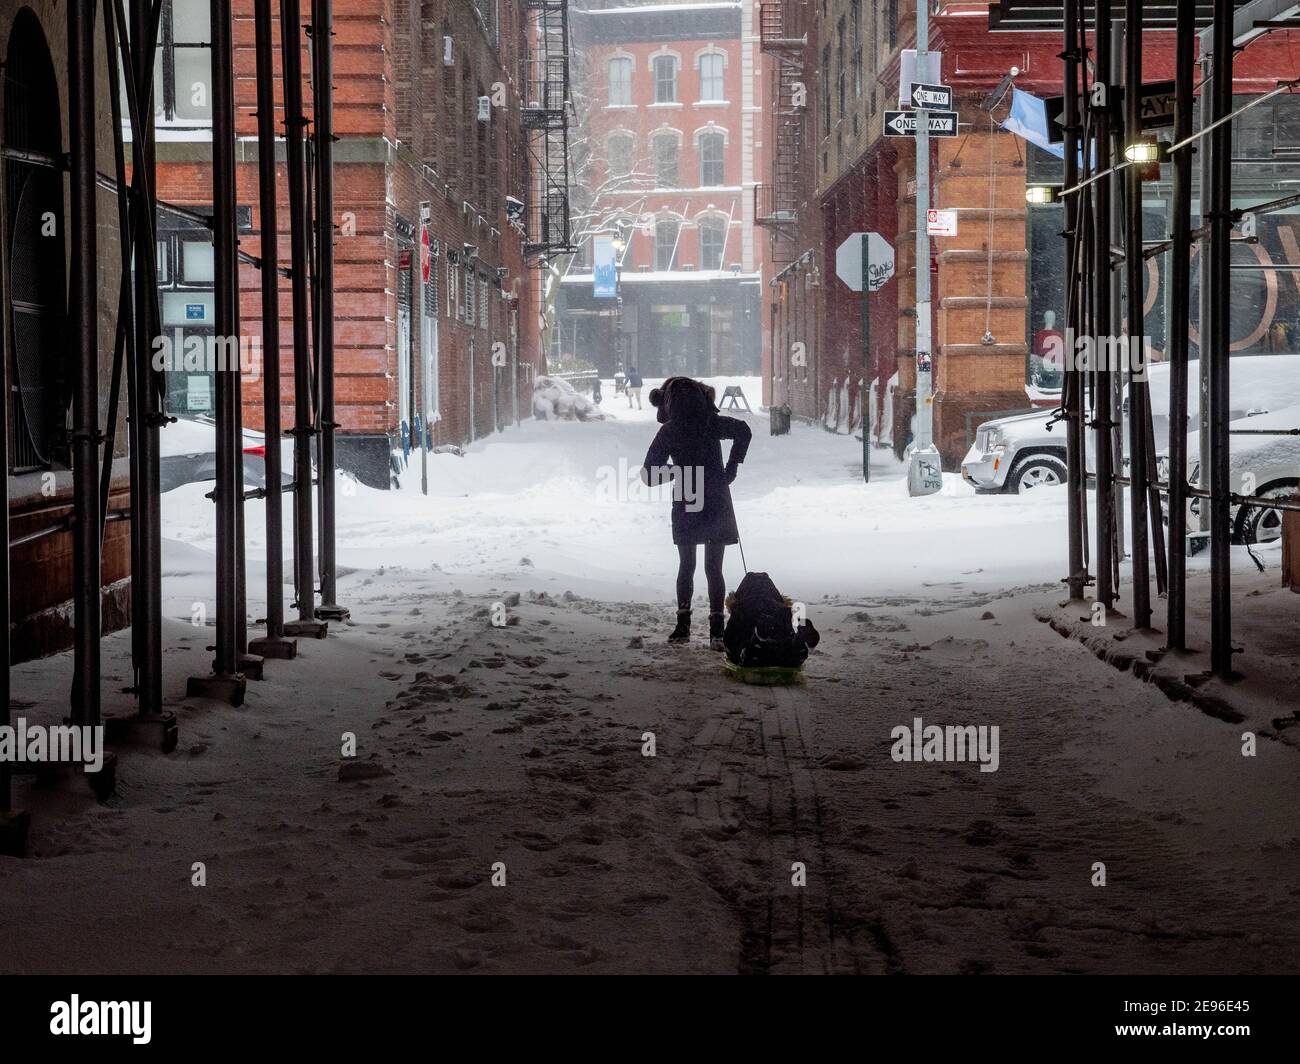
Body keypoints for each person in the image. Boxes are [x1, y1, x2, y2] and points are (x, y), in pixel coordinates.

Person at [640, 377, 751, 649]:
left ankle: (683, 627)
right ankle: (717, 632)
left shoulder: (670, 431)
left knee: (686, 566)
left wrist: (679, 472)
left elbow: (648, 474)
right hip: (716, 495)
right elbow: (744, 431)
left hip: (688, 498)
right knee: (714, 568)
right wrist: (732, 467)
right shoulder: (712, 423)